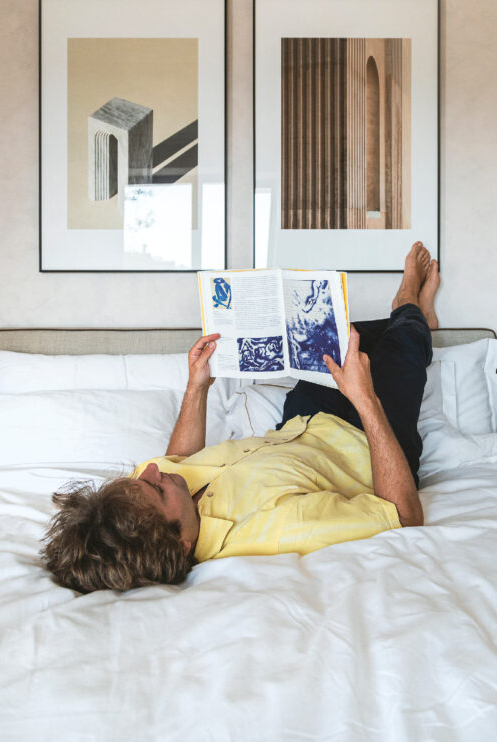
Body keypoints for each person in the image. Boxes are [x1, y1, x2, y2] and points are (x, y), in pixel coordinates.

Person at [41, 243, 440, 594]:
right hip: (370, 441)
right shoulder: (273, 530)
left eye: (140, 480)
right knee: (401, 342)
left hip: (303, 423)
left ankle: (414, 324)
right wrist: (365, 398)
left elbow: (174, 462)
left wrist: (197, 386)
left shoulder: (148, 497)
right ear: (180, 543)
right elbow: (405, 517)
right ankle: (410, 307)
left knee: (337, 336)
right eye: (157, 490)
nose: (150, 471)